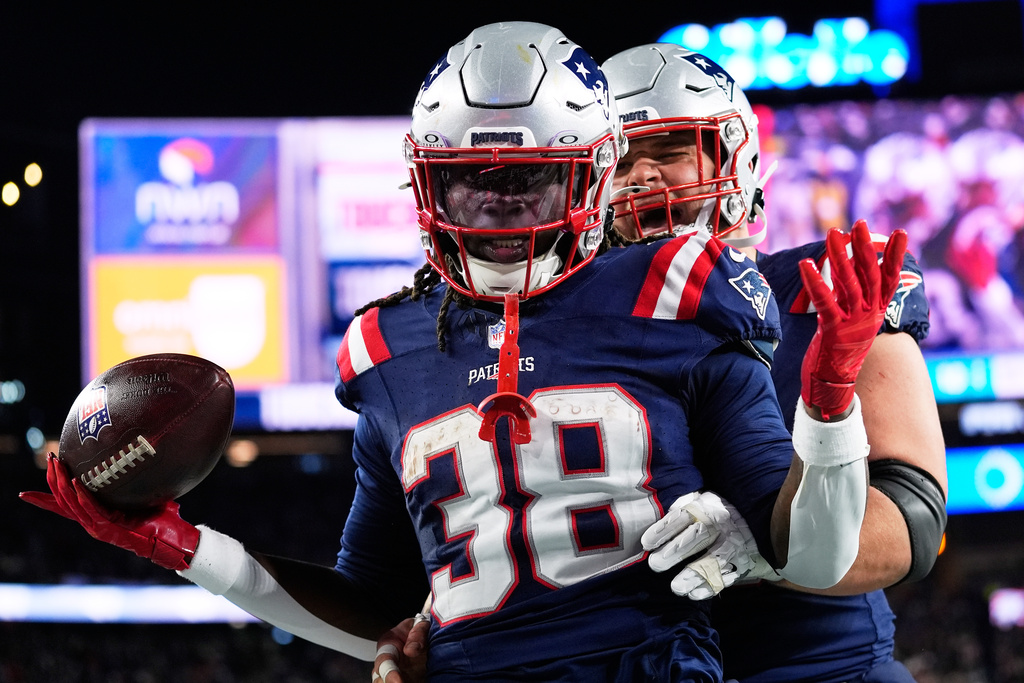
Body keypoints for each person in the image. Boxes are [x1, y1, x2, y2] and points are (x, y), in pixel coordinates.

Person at [22, 24, 905, 682]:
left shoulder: (680, 290)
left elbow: (819, 557)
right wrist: (188, 548)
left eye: (532, 176)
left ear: (590, 170)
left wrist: (827, 401)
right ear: (422, 180)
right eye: (468, 181)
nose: (501, 206)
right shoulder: (385, 345)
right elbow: (377, 609)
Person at [374, 44, 948, 683]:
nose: (642, 177)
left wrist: (768, 547)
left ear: (739, 159)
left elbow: (912, 523)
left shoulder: (820, 288)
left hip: (818, 670)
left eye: (671, 150)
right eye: (622, 158)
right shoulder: (534, 332)